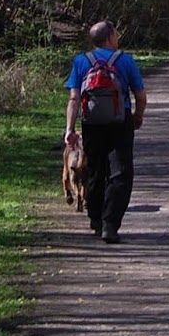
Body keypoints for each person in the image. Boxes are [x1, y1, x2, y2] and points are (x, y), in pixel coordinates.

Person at [65, 20, 146, 243]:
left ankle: (96, 219)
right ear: (110, 37)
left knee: (95, 170)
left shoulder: (81, 61)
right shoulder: (125, 60)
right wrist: (137, 116)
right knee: (121, 173)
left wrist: (70, 129)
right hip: (120, 123)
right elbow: (140, 96)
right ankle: (110, 223)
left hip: (91, 124)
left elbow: (74, 98)